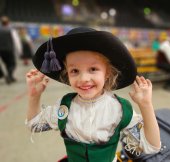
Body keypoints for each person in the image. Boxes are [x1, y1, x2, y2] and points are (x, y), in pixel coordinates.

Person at [25, 27, 161, 162]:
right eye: (75, 71)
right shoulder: (64, 107)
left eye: (93, 69)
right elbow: (35, 125)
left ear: (108, 72)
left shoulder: (120, 109)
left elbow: (150, 146)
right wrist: (34, 96)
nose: (83, 78)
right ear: (67, 72)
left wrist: (146, 105)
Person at [0, 16, 22, 84]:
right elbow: (16, 41)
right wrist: (19, 51)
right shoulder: (11, 30)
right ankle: (9, 76)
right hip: (9, 50)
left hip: (1, 50)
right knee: (13, 64)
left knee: (7, 64)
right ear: (8, 22)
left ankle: (11, 77)